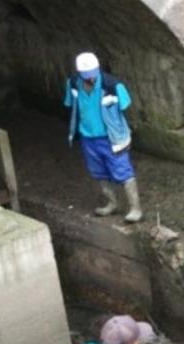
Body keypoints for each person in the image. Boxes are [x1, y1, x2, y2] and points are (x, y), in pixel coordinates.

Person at [65, 52, 142, 223]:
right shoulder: (73, 84)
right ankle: (112, 203)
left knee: (123, 171)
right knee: (98, 172)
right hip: (88, 138)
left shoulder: (112, 85)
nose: (90, 79)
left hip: (112, 138)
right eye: (86, 76)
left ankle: (135, 208)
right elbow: (71, 105)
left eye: (92, 75)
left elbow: (125, 105)